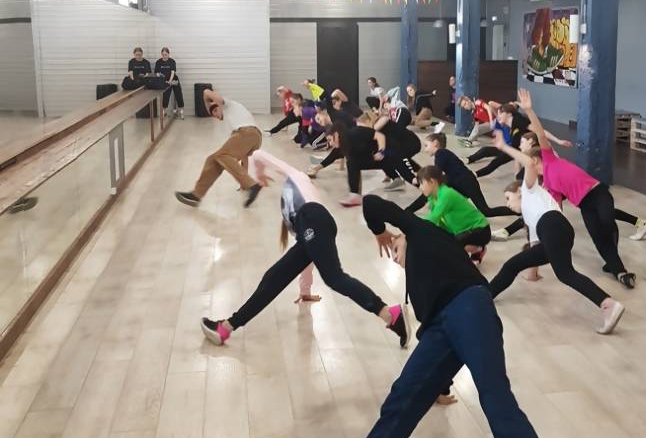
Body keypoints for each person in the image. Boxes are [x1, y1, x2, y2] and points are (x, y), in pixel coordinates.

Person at [293, 194, 600, 438]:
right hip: (442, 326)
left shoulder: (422, 231)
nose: (395, 256)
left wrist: (381, 232)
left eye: (396, 249)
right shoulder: (420, 282)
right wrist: (436, 384)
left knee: (496, 400)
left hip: (470, 306)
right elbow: (435, 337)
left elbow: (372, 202)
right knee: (401, 401)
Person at [200, 157, 408, 347]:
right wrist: (305, 291)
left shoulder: (297, 178)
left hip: (314, 217)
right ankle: (226, 328)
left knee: (335, 278)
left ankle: (389, 314)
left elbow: (263, 155)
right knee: (274, 278)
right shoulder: (294, 222)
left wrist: (259, 170)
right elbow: (309, 254)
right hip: (313, 224)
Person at [508, 91, 640, 287]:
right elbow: (555, 210)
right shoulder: (548, 185)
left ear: (535, 160)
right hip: (585, 205)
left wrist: (529, 110)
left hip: (598, 192)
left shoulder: (550, 159)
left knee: (606, 220)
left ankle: (615, 257)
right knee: (598, 239)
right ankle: (620, 272)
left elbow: (540, 133)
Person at [487, 147, 625, 334]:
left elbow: (529, 163)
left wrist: (503, 146)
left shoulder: (529, 190)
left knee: (566, 274)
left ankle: (608, 304)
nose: (507, 204)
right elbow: (535, 248)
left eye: (508, 198)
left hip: (553, 226)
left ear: (519, 191)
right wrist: (532, 275)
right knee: (512, 265)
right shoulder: (530, 216)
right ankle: (486, 295)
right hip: (558, 232)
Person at [175, 89, 263, 208]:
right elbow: (244, 157)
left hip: (249, 132)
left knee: (221, 155)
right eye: (213, 115)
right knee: (213, 160)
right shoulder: (231, 123)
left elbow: (206, 92)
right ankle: (197, 195)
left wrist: (206, 99)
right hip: (250, 138)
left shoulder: (228, 104)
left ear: (219, 106)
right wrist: (244, 184)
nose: (215, 115)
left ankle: (252, 185)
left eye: (215, 111)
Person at [406, 133, 516, 221]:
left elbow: (436, 172)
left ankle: (517, 211)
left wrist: (421, 178)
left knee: (486, 211)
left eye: (426, 145)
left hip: (467, 183)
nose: (425, 149)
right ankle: (409, 211)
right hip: (459, 182)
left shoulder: (441, 153)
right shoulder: (442, 154)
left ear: (435, 143)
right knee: (433, 193)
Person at [416, 165, 491, 261]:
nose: (420, 187)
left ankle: (478, 249)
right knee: (443, 241)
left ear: (432, 181)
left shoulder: (446, 194)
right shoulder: (433, 198)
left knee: (452, 245)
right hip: (462, 231)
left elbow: (433, 219)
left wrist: (414, 227)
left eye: (421, 183)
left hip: (481, 230)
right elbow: (437, 223)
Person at [154, 46, 184, 118]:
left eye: (166, 54)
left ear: (168, 54)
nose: (164, 56)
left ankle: (181, 111)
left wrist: (170, 81)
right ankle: (164, 111)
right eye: (163, 54)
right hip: (165, 81)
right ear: (161, 54)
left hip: (173, 79)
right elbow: (157, 73)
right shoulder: (158, 62)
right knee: (166, 96)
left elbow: (173, 72)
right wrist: (161, 79)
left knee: (178, 94)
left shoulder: (172, 61)